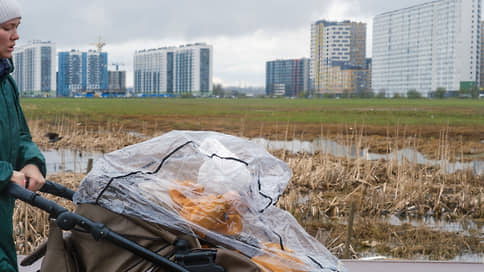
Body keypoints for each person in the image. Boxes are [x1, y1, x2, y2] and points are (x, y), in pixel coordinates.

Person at [0, 0, 46, 271]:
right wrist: (5, 174)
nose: (16, 36)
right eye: (8, 28)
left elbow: (20, 135)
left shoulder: (6, 83)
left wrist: (31, 162)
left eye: (17, 28)